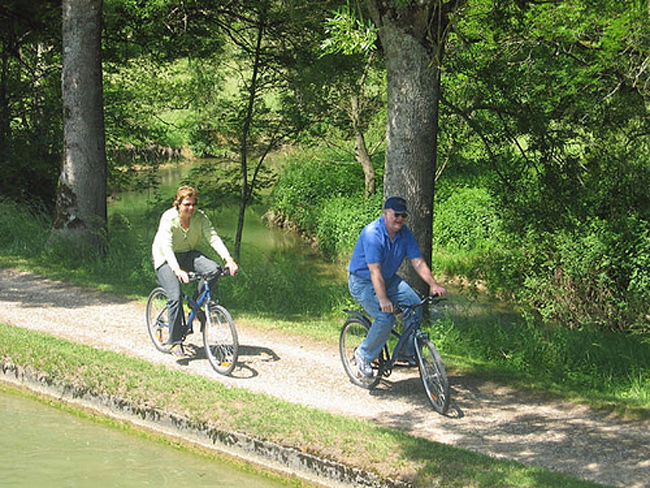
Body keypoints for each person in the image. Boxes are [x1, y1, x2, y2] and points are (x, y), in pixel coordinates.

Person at [347, 196, 447, 377]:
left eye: (403, 215)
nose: (400, 219)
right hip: (363, 282)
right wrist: (384, 299)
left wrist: (433, 284)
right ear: (385, 213)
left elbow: (417, 262)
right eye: (396, 215)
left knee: (414, 304)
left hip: (388, 279)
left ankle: (406, 353)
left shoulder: (405, 234)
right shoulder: (372, 234)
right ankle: (363, 355)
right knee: (386, 318)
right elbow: (374, 271)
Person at [152, 185, 238, 357]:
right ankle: (175, 341)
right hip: (164, 258)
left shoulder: (200, 218)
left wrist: (228, 259)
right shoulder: (169, 218)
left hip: (188, 254)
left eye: (193, 204)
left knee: (213, 270)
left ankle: (196, 303)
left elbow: (213, 237)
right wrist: (176, 269)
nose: (191, 208)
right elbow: (166, 246)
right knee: (175, 296)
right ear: (178, 204)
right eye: (186, 204)